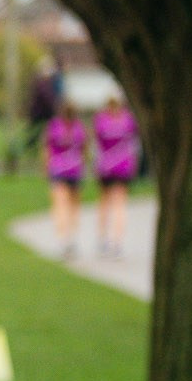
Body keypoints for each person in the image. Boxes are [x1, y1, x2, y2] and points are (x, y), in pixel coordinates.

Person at [93, 93, 140, 259]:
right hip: (123, 165)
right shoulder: (128, 120)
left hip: (106, 165)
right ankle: (117, 241)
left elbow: (97, 145)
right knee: (120, 204)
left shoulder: (101, 120)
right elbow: (133, 144)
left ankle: (102, 238)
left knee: (105, 202)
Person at [44, 99, 90, 259]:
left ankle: (63, 239)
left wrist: (45, 168)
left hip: (58, 169)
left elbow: (47, 149)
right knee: (73, 206)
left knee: (59, 206)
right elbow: (85, 150)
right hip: (75, 170)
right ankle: (71, 238)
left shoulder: (54, 126)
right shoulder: (79, 128)